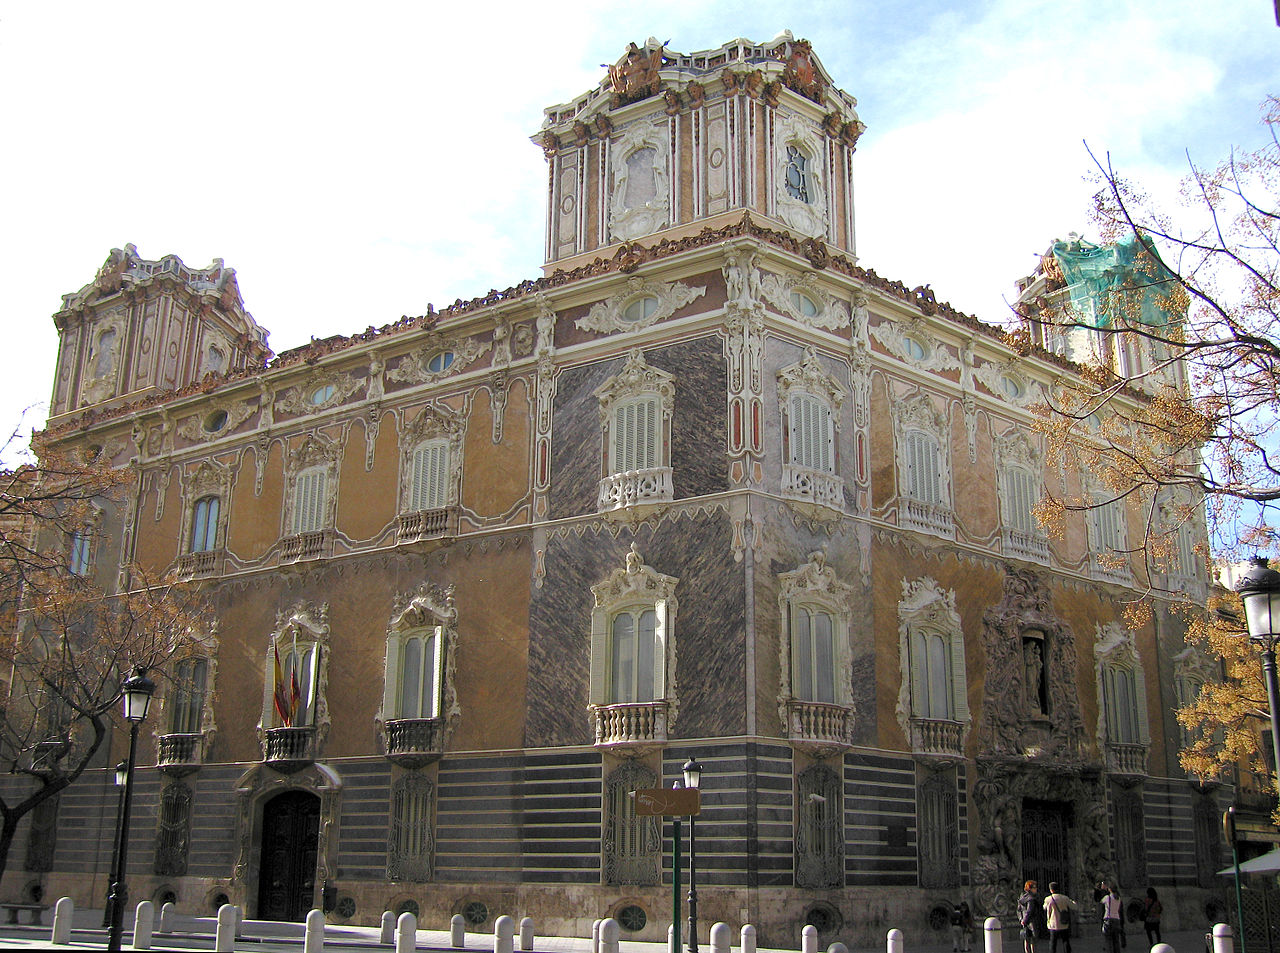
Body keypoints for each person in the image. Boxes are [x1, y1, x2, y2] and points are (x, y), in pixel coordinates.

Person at [1043, 882, 1078, 953]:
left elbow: (1044, 908)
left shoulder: (1048, 899)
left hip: (1053, 924)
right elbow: (1074, 907)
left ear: (1051, 890)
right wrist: (1074, 902)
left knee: (1053, 942)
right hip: (1063, 923)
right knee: (1065, 941)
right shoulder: (1064, 898)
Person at [1018, 880, 1041, 953]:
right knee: (1033, 940)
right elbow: (1029, 910)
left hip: (1024, 921)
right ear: (1030, 888)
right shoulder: (1031, 898)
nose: (1036, 889)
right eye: (1034, 887)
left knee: (1026, 939)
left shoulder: (1022, 897)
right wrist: (1025, 920)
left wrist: (1021, 920)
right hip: (1032, 921)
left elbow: (1018, 910)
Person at [1101, 884, 1123, 953]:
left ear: (1110, 889)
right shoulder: (1118, 898)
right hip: (1117, 919)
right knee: (1116, 939)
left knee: (1108, 939)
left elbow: (1101, 901)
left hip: (1109, 919)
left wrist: (1103, 890)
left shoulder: (1107, 898)